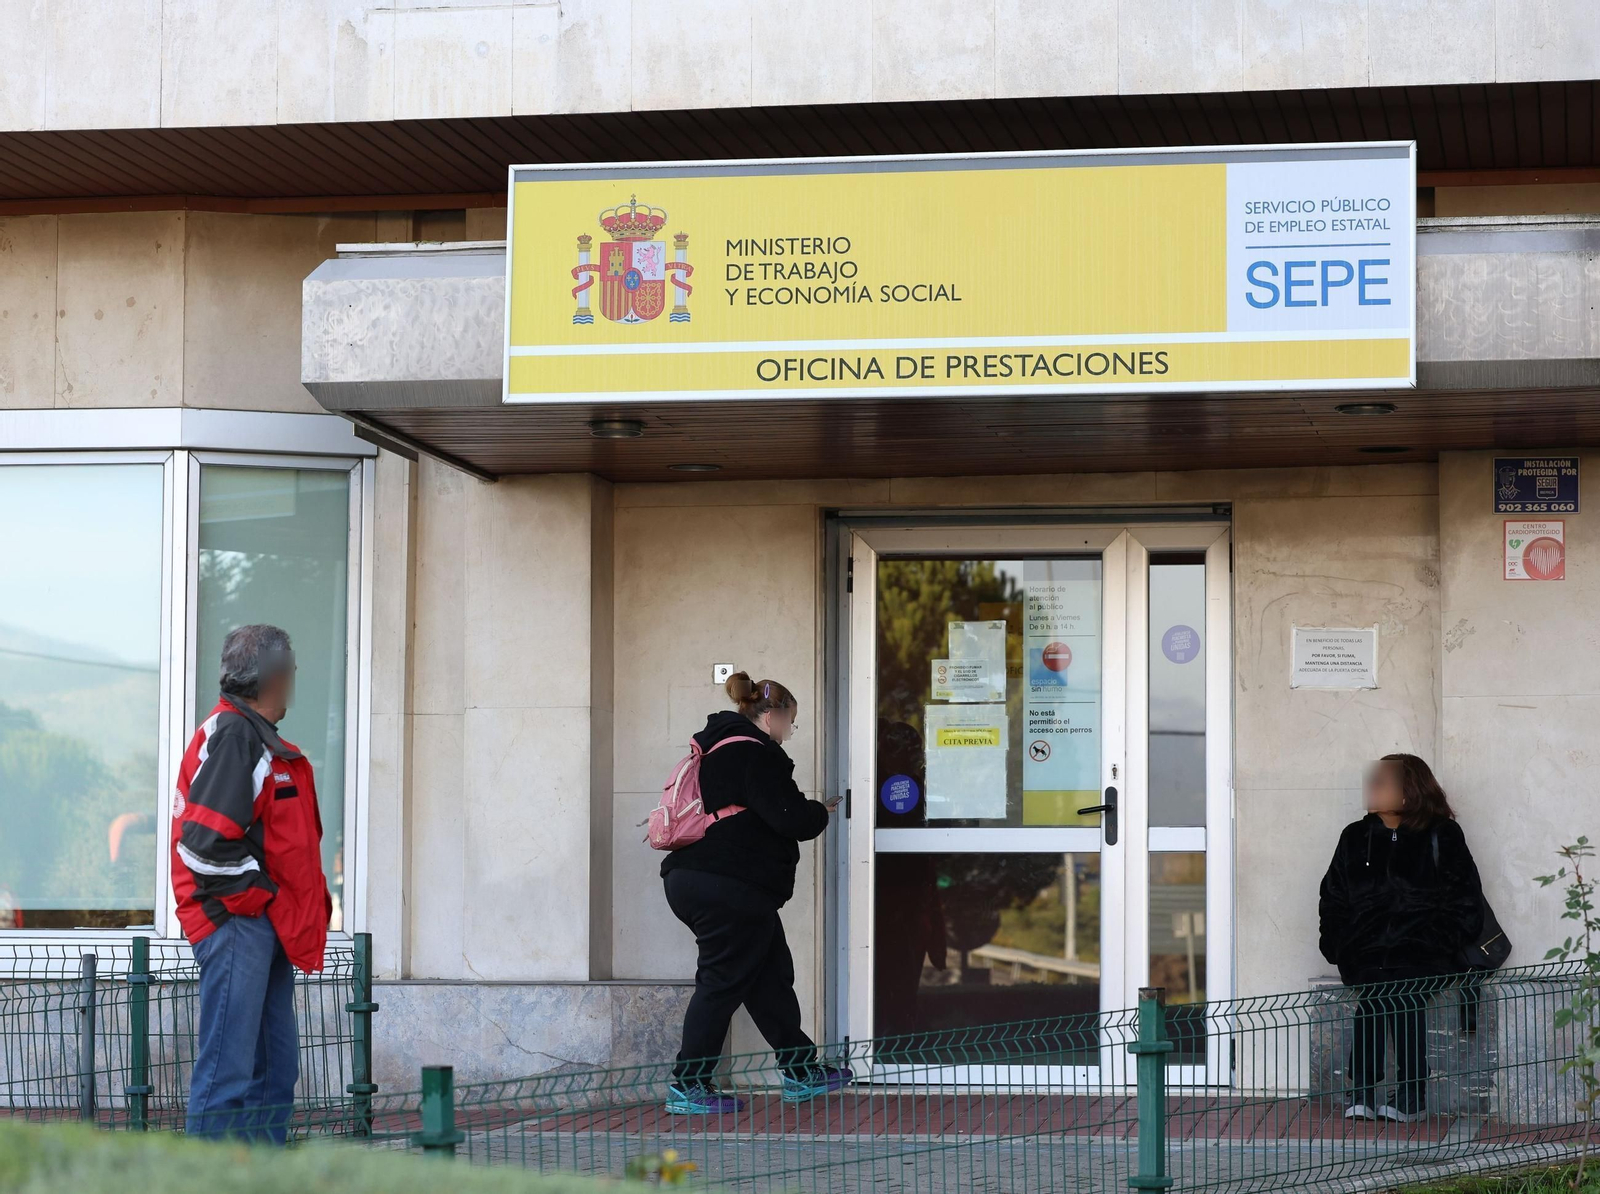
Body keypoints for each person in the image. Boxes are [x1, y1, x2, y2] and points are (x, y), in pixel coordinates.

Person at [659, 672, 850, 1114]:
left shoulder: (717, 747)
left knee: (769, 978)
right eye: (790, 723)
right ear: (772, 716)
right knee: (721, 982)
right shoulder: (753, 751)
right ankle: (687, 1085)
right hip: (726, 885)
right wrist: (817, 811)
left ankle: (801, 1071)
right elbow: (788, 818)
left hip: (704, 881)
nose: (788, 733)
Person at [171, 624, 332, 1143]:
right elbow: (203, 844)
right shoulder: (237, 737)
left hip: (259, 924)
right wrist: (265, 900)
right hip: (238, 923)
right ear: (273, 677)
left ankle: (258, 1175)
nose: (293, 681)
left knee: (273, 1070)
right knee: (230, 1073)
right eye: (291, 671)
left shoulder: (249, 736)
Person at [1317, 753, 1484, 1123]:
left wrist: (1436, 941)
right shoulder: (1354, 837)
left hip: (1426, 953)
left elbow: (1464, 899)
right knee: (1376, 992)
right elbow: (1333, 896)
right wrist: (1338, 942)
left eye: (1382, 782)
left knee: (1402, 993)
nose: (1371, 788)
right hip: (1365, 953)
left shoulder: (1443, 835)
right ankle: (1364, 1090)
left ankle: (1410, 1093)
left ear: (1408, 792)